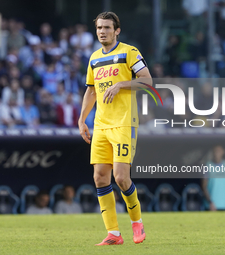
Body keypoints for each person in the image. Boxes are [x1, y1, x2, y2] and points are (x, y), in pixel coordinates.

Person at [78, 12, 150, 245]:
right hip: (100, 124)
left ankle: (136, 222)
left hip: (124, 122)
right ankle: (113, 234)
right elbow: (91, 91)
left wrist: (121, 84)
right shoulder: (94, 58)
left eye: (107, 27)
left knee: (120, 178)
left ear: (117, 30)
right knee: (100, 178)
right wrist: (82, 119)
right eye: (99, 27)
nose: (102, 31)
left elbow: (147, 81)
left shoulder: (130, 52)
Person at [201, 145, 225, 211]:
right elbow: (204, 186)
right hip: (211, 207)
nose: (217, 154)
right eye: (215, 151)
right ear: (212, 153)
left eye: (219, 151)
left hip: (224, 205)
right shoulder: (207, 165)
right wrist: (210, 202)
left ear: (223, 152)